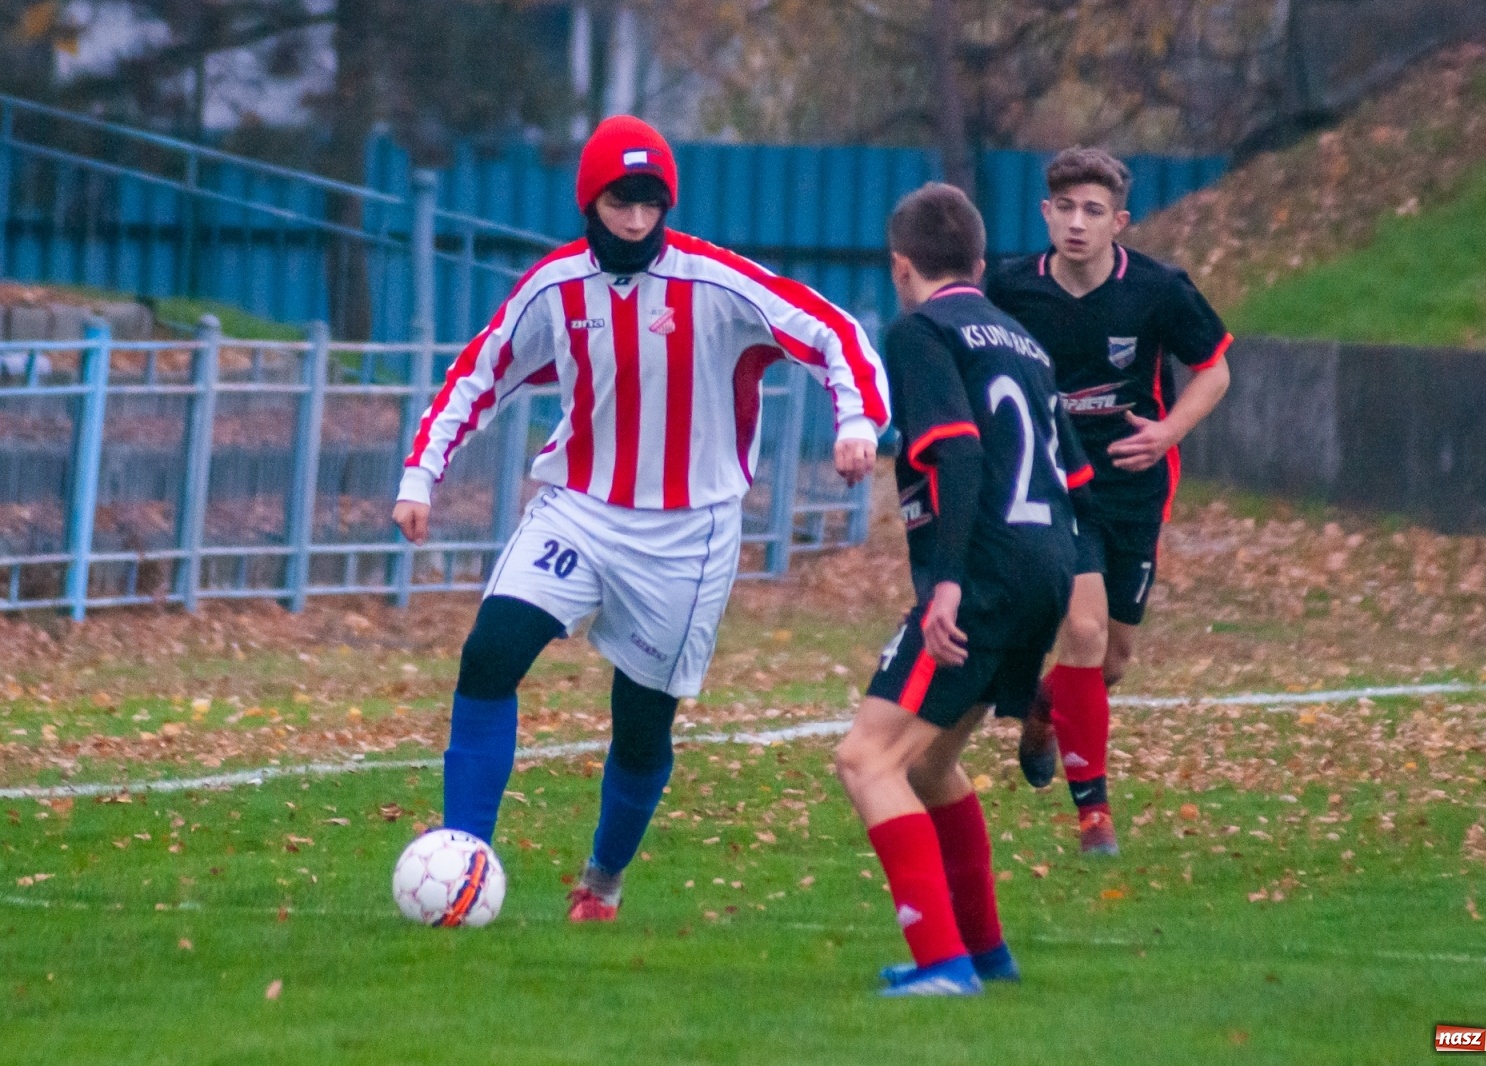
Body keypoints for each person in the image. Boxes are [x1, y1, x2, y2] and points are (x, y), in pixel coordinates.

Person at [393, 115, 889, 922]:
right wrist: (422, 473)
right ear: (591, 199)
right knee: (488, 655)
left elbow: (836, 333)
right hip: (579, 510)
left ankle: (603, 879)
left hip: (688, 535)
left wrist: (858, 422)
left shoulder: (716, 283)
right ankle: (463, 859)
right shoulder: (554, 287)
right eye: (621, 202)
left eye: (650, 204)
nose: (635, 221)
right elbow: (479, 375)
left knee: (640, 725)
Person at [834, 183, 1094, 996]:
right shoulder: (1024, 340)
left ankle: (942, 966)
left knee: (866, 759)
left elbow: (961, 455)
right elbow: (1074, 479)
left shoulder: (918, 333)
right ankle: (986, 954)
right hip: (1044, 568)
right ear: (979, 267)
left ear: (900, 264)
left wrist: (946, 584)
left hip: (981, 574)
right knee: (933, 762)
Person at [987, 147, 1232, 856]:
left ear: (1118, 222)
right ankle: (1094, 813)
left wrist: (1166, 432)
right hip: (1055, 485)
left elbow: (1214, 371)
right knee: (1085, 635)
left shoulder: (1157, 289)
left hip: (1132, 485)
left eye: (1093, 211)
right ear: (1045, 212)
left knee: (1112, 660)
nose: (1077, 223)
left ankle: (1043, 707)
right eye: (1064, 208)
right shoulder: (1011, 291)